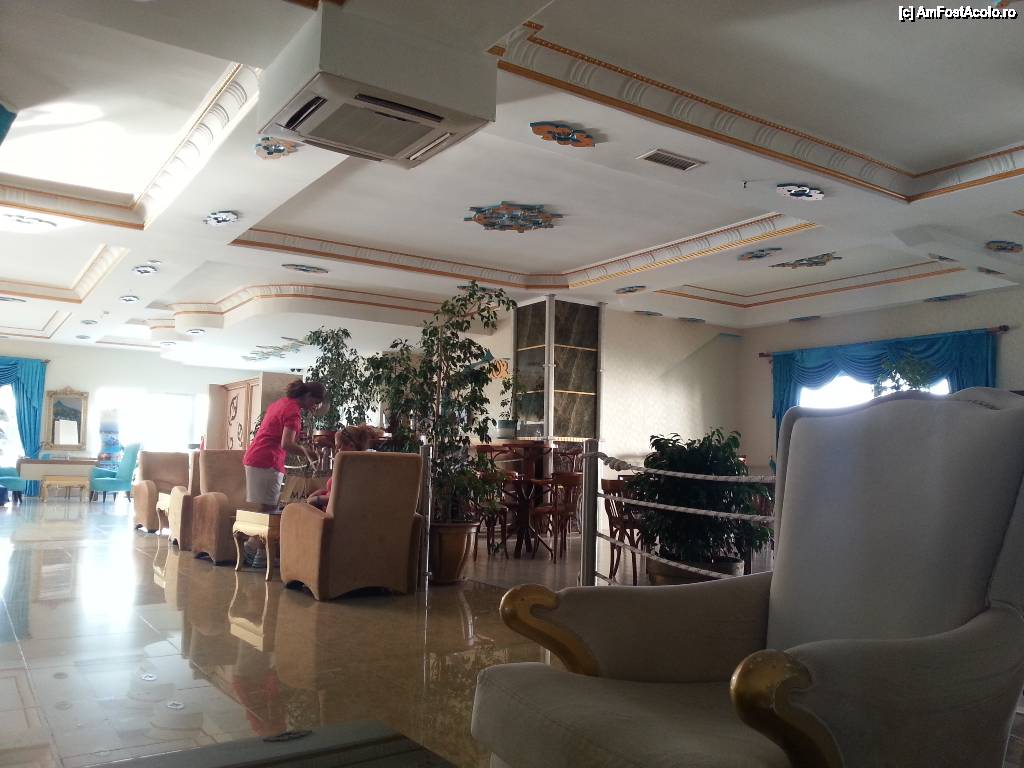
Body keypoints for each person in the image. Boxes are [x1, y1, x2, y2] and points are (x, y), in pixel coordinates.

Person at [242, 380, 324, 566]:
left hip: (257, 457)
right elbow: (286, 444)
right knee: (269, 510)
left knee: (266, 508)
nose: (316, 407)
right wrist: (309, 453)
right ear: (308, 396)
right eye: (316, 402)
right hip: (266, 460)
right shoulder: (293, 412)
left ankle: (256, 551)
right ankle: (257, 553)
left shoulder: (281, 404)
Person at [306, 424, 382, 510]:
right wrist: (322, 492)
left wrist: (316, 499)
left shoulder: (354, 471)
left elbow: (343, 499)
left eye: (338, 447)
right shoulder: (354, 466)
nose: (336, 451)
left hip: (336, 514)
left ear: (351, 446)